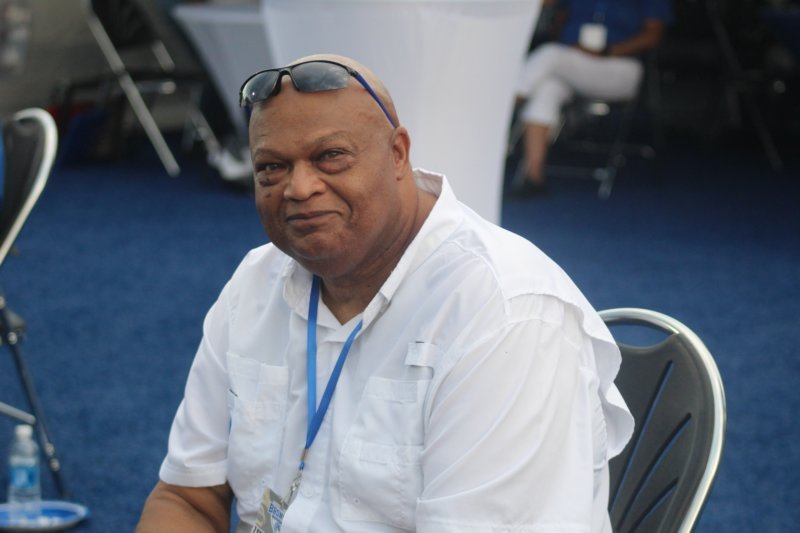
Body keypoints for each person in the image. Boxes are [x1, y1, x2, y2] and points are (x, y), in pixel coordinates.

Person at [136, 53, 633, 533]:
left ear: (398, 154)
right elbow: (186, 496)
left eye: (330, 156)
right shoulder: (256, 281)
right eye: (272, 167)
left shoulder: (505, 314)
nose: (299, 188)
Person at [513, 0, 672, 197]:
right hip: (573, 61)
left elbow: (653, 36)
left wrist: (607, 51)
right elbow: (550, 10)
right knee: (547, 88)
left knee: (550, 54)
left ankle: (505, 107)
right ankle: (533, 177)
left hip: (619, 65)